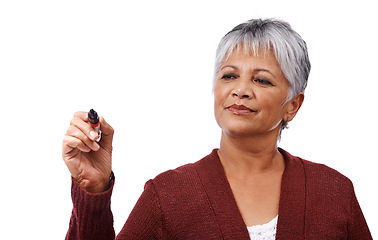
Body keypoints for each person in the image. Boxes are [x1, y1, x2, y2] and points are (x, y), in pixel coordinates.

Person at [62, 19, 372, 239]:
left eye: (261, 80)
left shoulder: (334, 192)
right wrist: (93, 189)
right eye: (229, 76)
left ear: (293, 104)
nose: (240, 90)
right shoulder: (168, 195)